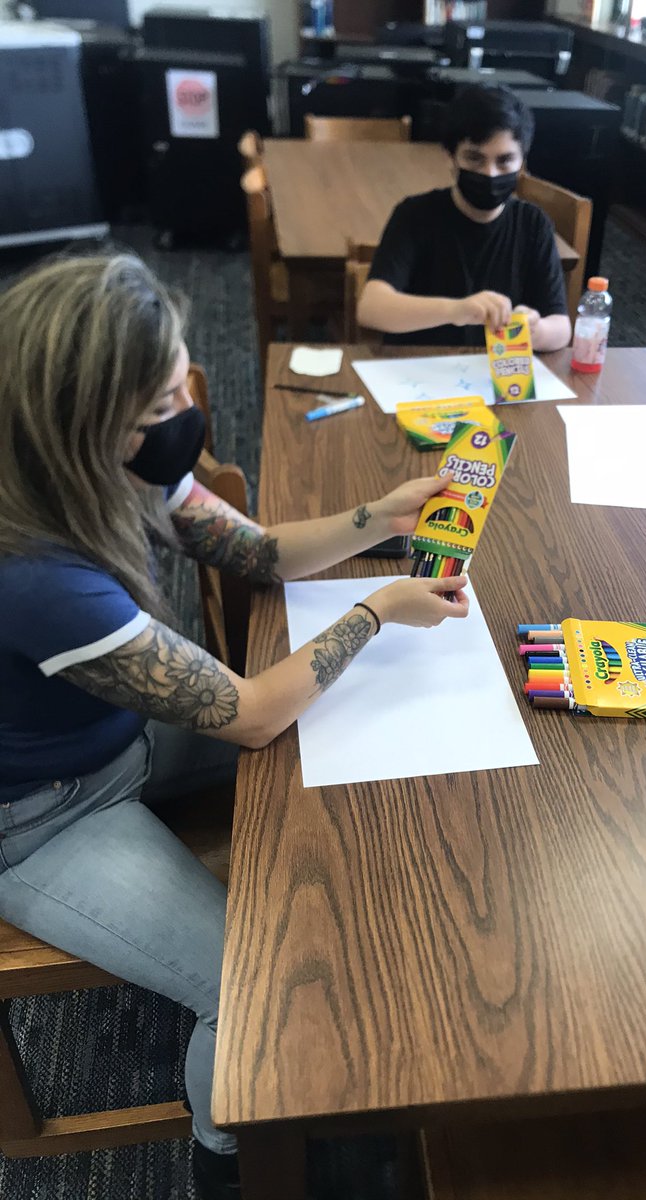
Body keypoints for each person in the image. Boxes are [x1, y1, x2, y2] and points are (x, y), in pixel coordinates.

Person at [0, 253, 469, 1200]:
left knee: (344, 772)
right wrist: (375, 614)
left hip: (113, 735)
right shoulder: (39, 576)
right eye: (162, 400)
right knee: (248, 987)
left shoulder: (113, 466)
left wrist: (381, 513)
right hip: (40, 821)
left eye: (181, 382)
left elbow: (255, 551)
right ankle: (236, 1163)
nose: (184, 412)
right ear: (93, 423)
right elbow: (252, 718)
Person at [358, 84, 572, 351]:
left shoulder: (533, 224)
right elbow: (371, 307)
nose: (490, 174)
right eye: (474, 159)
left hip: (494, 375)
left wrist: (536, 330)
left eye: (505, 161)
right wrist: (456, 310)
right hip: (419, 372)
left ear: (523, 164)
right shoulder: (414, 215)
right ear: (451, 158)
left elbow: (561, 328)